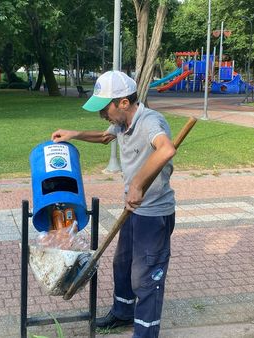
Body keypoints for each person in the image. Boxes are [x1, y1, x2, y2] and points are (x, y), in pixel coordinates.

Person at [51, 71, 176, 337]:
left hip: (154, 213)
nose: (102, 116)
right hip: (133, 209)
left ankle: (145, 333)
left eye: (104, 109)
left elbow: (166, 149)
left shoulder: (151, 121)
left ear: (123, 103)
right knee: (122, 264)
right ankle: (122, 313)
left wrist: (138, 184)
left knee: (146, 275)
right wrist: (75, 134)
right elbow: (106, 137)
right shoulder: (121, 124)